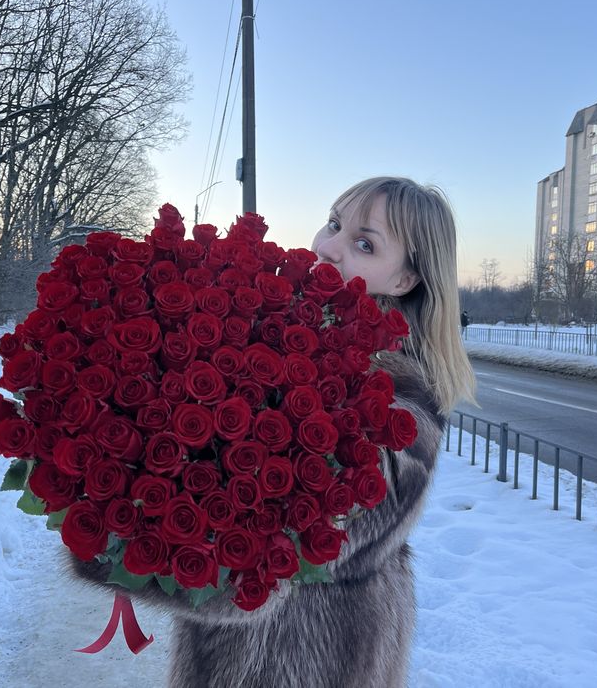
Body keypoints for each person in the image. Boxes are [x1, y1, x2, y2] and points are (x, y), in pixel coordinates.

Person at [70, 176, 477, 687]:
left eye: (364, 244)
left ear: (404, 281)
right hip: (235, 659)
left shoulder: (401, 406)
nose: (328, 247)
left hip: (311, 662)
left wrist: (109, 538)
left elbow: (269, 563)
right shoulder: (283, 337)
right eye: (334, 224)